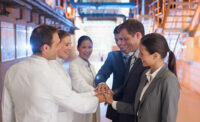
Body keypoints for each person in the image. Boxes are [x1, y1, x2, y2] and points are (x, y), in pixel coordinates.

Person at [1, 25, 104, 122]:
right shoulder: (49, 73)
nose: (60, 48)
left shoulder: (12, 70)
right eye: (57, 44)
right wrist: (99, 98)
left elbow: (7, 110)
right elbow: (73, 101)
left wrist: (93, 94)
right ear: (45, 48)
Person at [104, 33, 180, 122]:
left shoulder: (168, 80)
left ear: (155, 55)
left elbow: (168, 118)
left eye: (142, 53)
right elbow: (136, 108)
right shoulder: (145, 75)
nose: (139, 56)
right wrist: (112, 102)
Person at [95, 19, 146, 122]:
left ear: (137, 36)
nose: (120, 43)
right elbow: (101, 74)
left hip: (135, 112)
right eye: (117, 39)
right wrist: (101, 83)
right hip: (116, 110)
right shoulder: (113, 56)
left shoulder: (147, 59)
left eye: (123, 39)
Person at [69, 35, 100, 122]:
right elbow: (78, 84)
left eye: (90, 47)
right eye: (84, 47)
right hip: (82, 106)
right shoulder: (73, 65)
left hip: (92, 103)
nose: (87, 50)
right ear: (78, 48)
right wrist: (96, 92)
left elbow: (95, 82)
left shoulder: (91, 66)